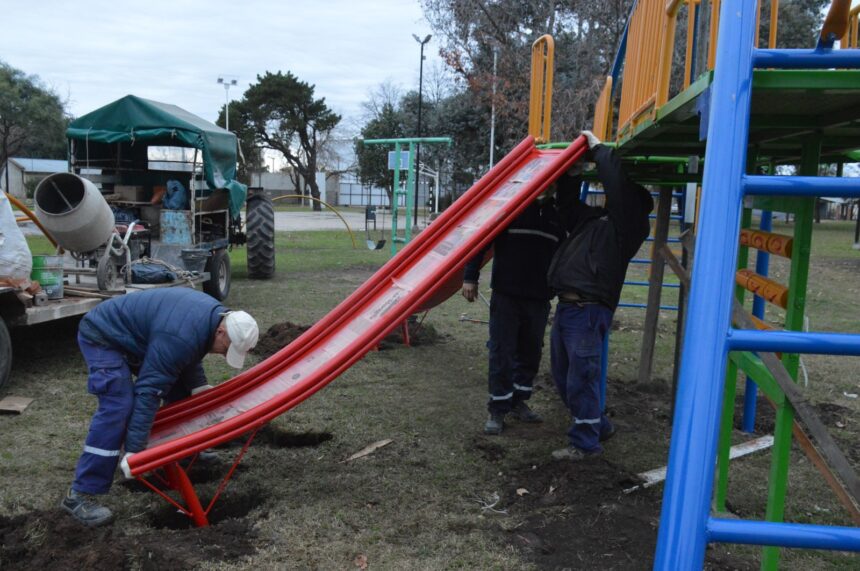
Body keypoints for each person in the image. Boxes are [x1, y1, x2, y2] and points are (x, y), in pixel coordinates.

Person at [61, 288, 259, 527]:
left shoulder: (214, 316)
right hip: (105, 336)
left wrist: (198, 386)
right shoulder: (181, 335)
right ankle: (81, 494)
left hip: (142, 338)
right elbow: (150, 390)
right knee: (118, 405)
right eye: (226, 349)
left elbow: (192, 349)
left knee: (183, 392)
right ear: (221, 331)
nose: (223, 354)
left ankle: (184, 454)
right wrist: (135, 452)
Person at [547, 130, 654, 461]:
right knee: (564, 376)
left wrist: (600, 153)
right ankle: (598, 425)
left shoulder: (628, 227)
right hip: (568, 308)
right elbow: (566, 208)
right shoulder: (593, 220)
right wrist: (571, 175)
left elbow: (620, 191)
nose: (611, 198)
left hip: (588, 310)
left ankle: (585, 443)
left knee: (582, 376)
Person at [462, 179, 570, 435]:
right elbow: (481, 240)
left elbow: (562, 256)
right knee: (502, 351)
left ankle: (518, 401)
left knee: (531, 352)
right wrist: (470, 276)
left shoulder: (557, 218)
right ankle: (497, 410)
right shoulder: (514, 209)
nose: (545, 188)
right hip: (507, 295)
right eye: (542, 183)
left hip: (539, 299)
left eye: (551, 185)